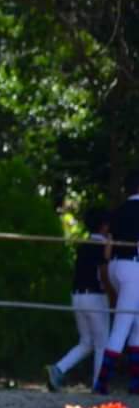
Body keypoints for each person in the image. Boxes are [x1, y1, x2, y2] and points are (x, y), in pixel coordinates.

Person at [46, 208, 112, 392]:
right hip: (95, 297)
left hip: (77, 297)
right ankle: (99, 384)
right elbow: (103, 273)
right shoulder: (102, 246)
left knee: (86, 342)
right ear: (104, 226)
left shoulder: (83, 245)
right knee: (102, 343)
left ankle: (59, 368)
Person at [94, 169, 139, 394]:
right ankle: (101, 382)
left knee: (136, 325)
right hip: (133, 267)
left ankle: (135, 383)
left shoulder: (117, 211)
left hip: (116, 266)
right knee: (122, 325)